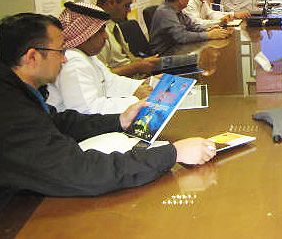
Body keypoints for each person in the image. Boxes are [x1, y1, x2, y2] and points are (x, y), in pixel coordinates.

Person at [0, 12, 216, 202]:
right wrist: (172, 153)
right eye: (60, 51)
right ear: (32, 57)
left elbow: (60, 122)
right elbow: (81, 172)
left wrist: (119, 121)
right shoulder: (11, 113)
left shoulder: (16, 90)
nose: (64, 60)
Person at [46, 2, 151, 114]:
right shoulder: (73, 62)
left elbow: (110, 82)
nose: (106, 36)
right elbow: (87, 110)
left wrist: (144, 84)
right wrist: (135, 100)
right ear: (84, 35)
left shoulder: (86, 55)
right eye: (100, 31)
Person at [96, 0, 161, 78]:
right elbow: (102, 77)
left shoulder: (113, 24)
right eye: (126, 6)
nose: (129, 10)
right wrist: (136, 67)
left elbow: (124, 60)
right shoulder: (96, 33)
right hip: (122, 83)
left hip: (136, 77)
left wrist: (143, 62)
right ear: (111, 2)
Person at [149, 0, 232, 55]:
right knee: (199, 58)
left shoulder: (176, 9)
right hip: (165, 55)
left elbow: (191, 25)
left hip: (176, 49)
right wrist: (209, 35)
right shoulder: (165, 12)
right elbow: (182, 37)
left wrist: (207, 29)